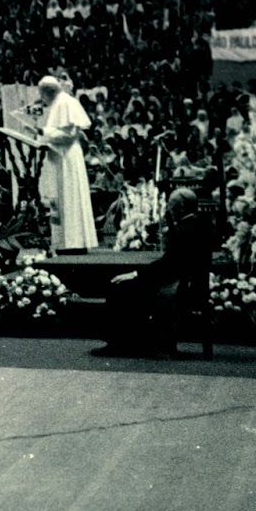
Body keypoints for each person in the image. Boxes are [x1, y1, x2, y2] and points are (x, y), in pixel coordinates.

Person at [94, 187, 213, 358]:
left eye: (170, 205)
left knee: (120, 287)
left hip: (178, 285)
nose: (168, 209)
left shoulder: (186, 230)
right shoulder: (199, 224)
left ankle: (121, 343)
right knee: (130, 284)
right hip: (186, 282)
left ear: (181, 207)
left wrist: (136, 274)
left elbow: (169, 264)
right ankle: (135, 341)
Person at [36, 75, 98, 253]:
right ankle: (66, 241)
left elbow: (68, 134)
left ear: (48, 92)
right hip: (61, 156)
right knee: (63, 198)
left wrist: (43, 132)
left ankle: (73, 242)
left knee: (70, 198)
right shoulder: (61, 102)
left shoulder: (64, 102)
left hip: (67, 157)